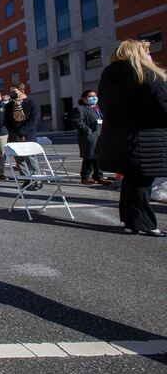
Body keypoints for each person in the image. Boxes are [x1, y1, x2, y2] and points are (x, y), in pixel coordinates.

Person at [98, 39, 167, 237]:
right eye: (147, 51)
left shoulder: (109, 78)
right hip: (146, 137)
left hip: (119, 137)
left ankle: (132, 221)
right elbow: (162, 106)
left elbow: (103, 107)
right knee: (141, 182)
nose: (150, 55)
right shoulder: (146, 74)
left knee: (132, 181)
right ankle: (145, 223)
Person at [4, 83, 41, 190]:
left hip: (28, 135)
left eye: (14, 91)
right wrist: (14, 133)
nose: (11, 94)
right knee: (19, 160)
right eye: (10, 91)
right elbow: (7, 121)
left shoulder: (31, 103)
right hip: (14, 136)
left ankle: (37, 180)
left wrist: (22, 132)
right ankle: (27, 179)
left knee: (31, 159)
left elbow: (33, 120)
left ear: (22, 91)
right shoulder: (9, 105)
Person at [71, 90, 111, 186]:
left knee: (98, 157)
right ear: (84, 99)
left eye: (95, 96)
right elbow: (77, 122)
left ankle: (98, 176)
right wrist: (87, 130)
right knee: (89, 157)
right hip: (89, 137)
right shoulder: (80, 109)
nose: (94, 98)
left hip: (99, 135)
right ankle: (85, 177)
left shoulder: (97, 108)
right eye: (90, 96)